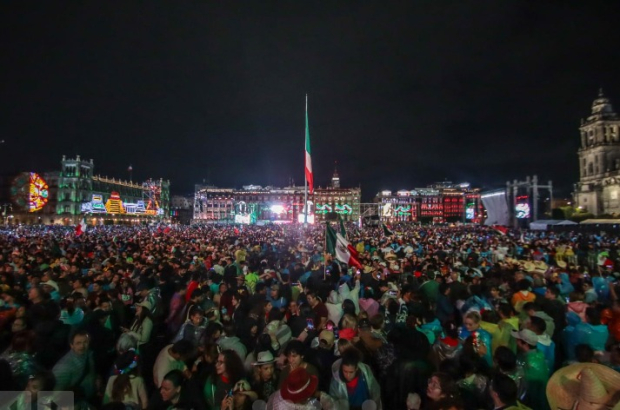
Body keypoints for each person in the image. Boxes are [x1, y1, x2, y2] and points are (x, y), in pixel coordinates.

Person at [52, 329, 97, 404]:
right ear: (71, 345)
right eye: (78, 343)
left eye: (85, 342)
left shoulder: (88, 354)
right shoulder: (63, 367)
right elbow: (57, 395)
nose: (82, 346)